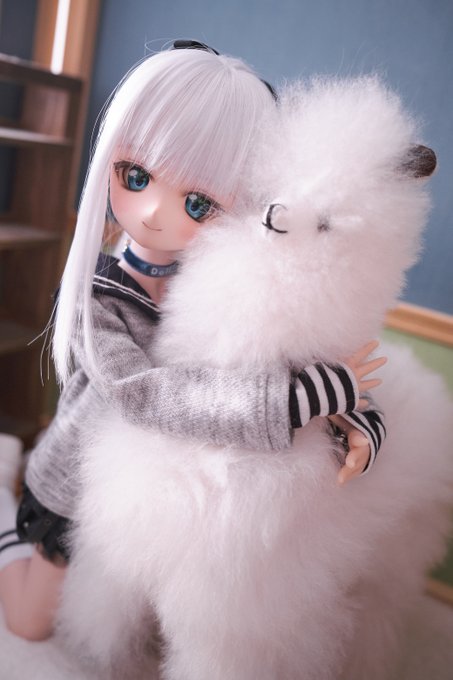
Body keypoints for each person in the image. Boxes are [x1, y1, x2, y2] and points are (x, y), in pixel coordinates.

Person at [0, 41, 385, 643]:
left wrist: (356, 419)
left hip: (165, 496)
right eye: (136, 177)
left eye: (198, 203)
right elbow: (146, 395)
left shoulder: (232, 282)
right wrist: (296, 399)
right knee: (31, 622)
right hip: (79, 479)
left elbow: (309, 359)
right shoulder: (96, 301)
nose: (155, 211)